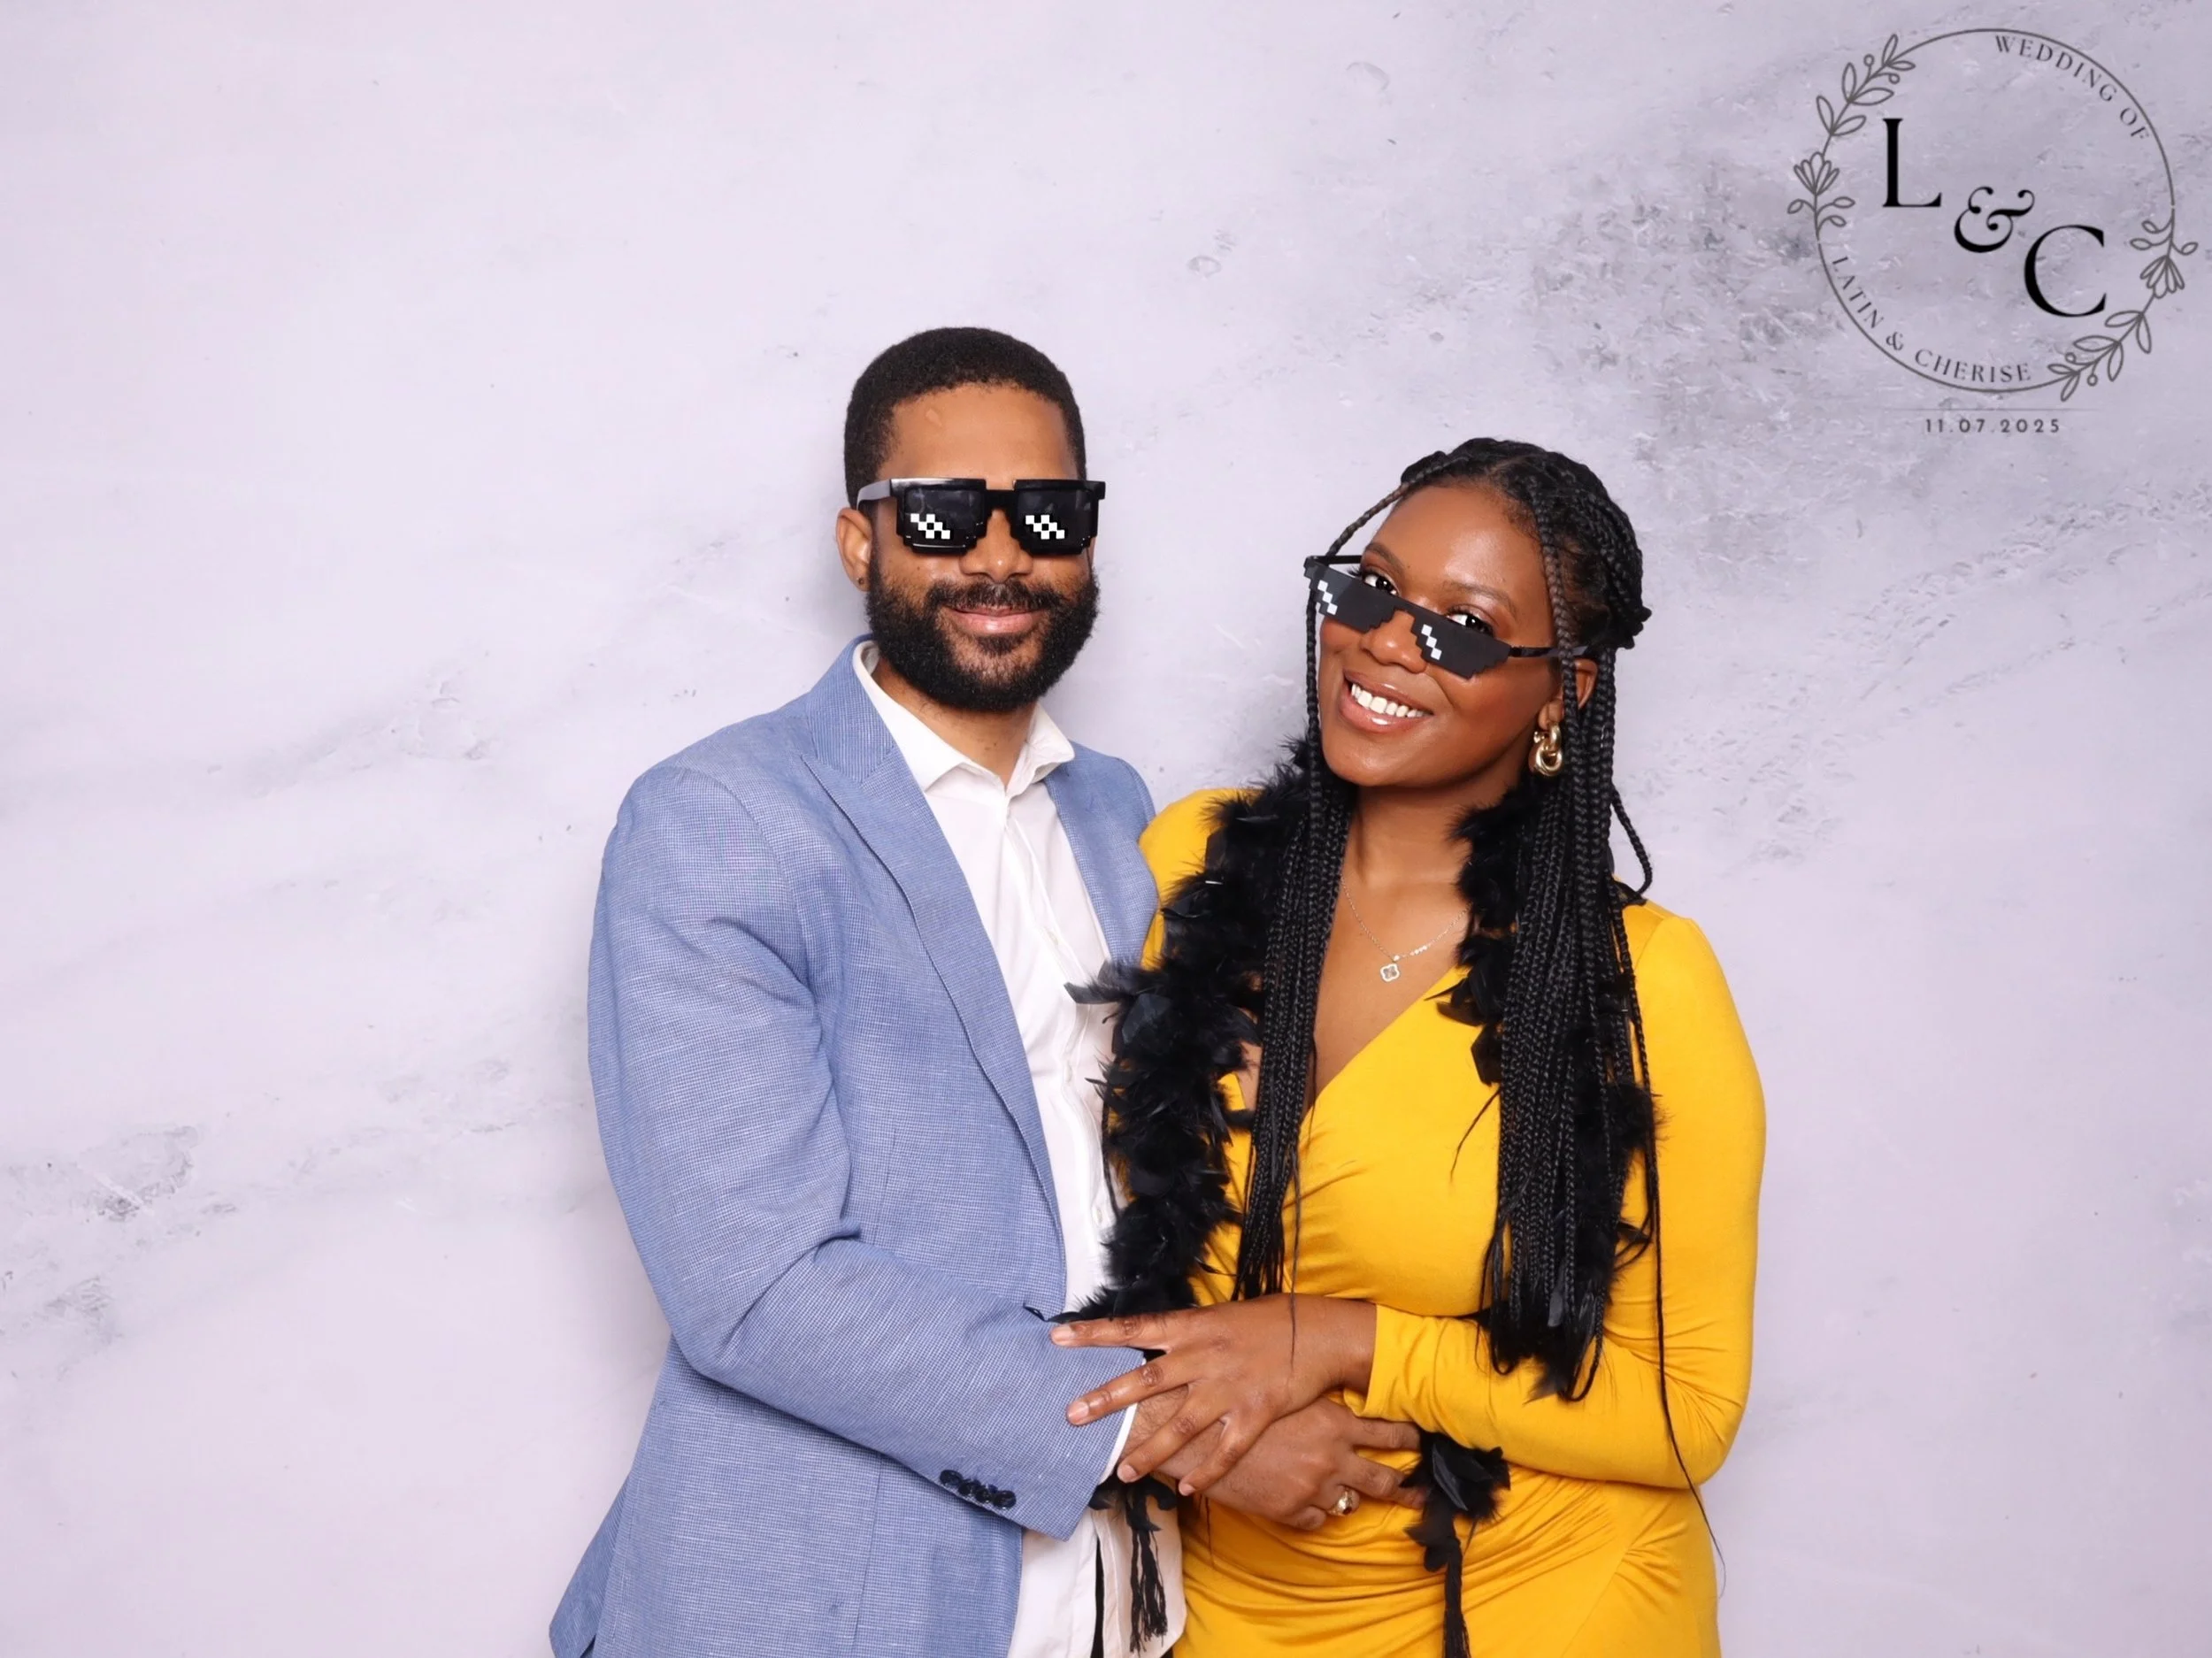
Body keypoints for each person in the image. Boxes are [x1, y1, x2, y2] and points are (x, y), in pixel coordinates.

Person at [551, 327, 1414, 1658]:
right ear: (860, 541)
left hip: (1121, 1610)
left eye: (1048, 513)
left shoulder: (1120, 814)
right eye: (946, 513)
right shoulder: (719, 822)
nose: (1001, 554)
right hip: (823, 1601)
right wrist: (1177, 1432)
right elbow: (759, 1287)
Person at [1052, 439, 1767, 1657]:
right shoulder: (1185, 861)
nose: (1388, 641)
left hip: (1543, 1607)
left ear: (1564, 690)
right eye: (1371, 590)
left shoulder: (1647, 982)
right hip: (1228, 1610)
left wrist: (1344, 1337)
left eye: (1467, 629)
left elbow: (1683, 1407)